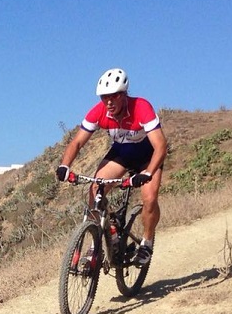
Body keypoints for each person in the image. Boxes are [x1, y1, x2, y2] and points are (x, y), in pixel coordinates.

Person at [55, 68, 168, 266]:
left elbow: (160, 145)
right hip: (121, 155)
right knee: (95, 189)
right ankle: (103, 236)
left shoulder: (141, 107)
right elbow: (77, 143)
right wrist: (65, 165)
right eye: (104, 97)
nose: (108, 102)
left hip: (147, 158)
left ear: (124, 95)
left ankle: (147, 243)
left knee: (149, 198)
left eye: (113, 96)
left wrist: (149, 172)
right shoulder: (99, 112)